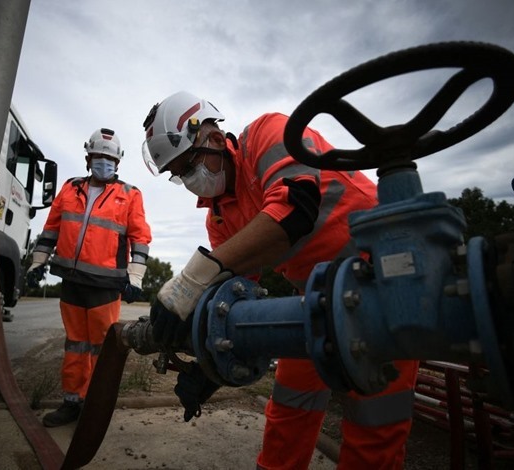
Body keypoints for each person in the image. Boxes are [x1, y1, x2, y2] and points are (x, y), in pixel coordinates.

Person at [141, 92, 419, 469]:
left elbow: (295, 209)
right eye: (179, 174)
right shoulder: (220, 218)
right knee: (288, 410)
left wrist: (190, 281)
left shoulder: (268, 135)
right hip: (315, 300)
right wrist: (209, 369)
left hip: (382, 279)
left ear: (216, 140)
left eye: (189, 165)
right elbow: (237, 299)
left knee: (374, 426)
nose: (190, 180)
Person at [30, 128, 152, 427]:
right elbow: (50, 229)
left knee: (101, 348)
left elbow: (140, 238)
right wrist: (36, 265)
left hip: (106, 287)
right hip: (72, 283)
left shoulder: (129, 194)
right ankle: (72, 403)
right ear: (88, 158)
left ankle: (96, 408)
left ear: (118, 162)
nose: (104, 162)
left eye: (109, 158)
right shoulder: (70, 189)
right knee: (75, 345)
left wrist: (135, 278)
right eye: (99, 156)